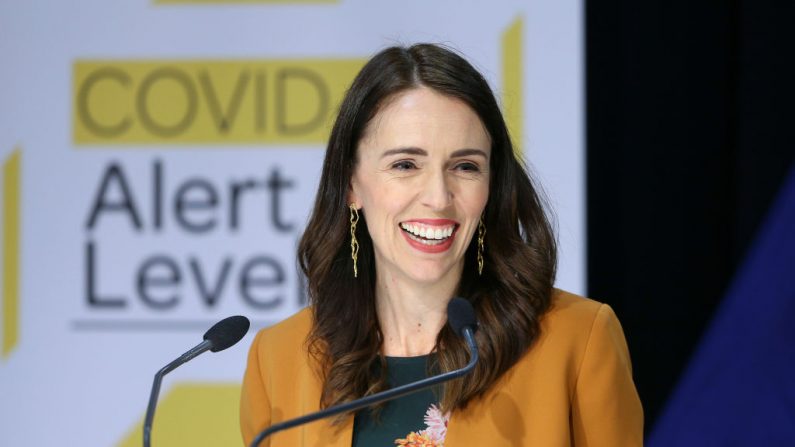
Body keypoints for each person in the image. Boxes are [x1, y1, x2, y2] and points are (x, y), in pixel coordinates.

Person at [240, 43, 643, 447]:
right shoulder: (278, 357)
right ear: (350, 185)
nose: (438, 196)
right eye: (405, 165)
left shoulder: (577, 340)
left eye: (465, 166)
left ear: (491, 186)